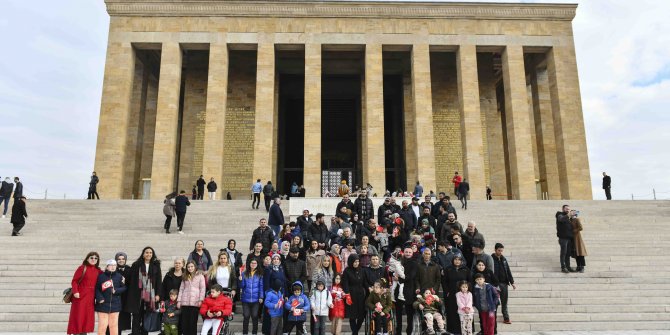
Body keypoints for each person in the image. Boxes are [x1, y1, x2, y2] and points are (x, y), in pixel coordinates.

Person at [125, 247, 162, 335]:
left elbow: (159, 281)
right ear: (143, 254)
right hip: (137, 295)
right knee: (136, 318)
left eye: (150, 252)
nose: (148, 254)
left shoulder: (156, 265)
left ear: (152, 254)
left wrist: (158, 294)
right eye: (146, 252)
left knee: (146, 317)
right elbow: (130, 279)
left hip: (150, 296)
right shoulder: (136, 264)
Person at [68, 252, 103, 335]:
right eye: (91, 257)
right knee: (79, 316)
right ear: (87, 259)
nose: (93, 259)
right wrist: (75, 291)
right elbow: (74, 281)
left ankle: (84, 333)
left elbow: (107, 277)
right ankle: (76, 333)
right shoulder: (82, 268)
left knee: (87, 318)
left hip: (91, 297)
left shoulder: (98, 271)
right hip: (80, 296)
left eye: (96, 258)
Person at [95, 259, 127, 335]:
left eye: (114, 265)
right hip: (102, 305)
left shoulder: (119, 277)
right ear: (107, 267)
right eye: (111, 265)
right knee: (102, 326)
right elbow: (96, 288)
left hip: (115, 305)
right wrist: (100, 298)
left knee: (114, 326)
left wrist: (116, 290)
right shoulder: (101, 276)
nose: (113, 267)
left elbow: (124, 287)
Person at [178, 260, 206, 335]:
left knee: (192, 323)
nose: (190, 268)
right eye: (188, 267)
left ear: (195, 267)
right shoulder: (185, 276)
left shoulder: (200, 276)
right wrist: (179, 301)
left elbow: (202, 289)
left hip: (195, 302)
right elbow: (181, 289)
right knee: (185, 323)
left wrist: (201, 300)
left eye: (191, 266)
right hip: (185, 302)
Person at [444, 256, 471, 335]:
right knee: (452, 311)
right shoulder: (448, 269)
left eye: (459, 260)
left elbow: (470, 281)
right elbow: (444, 281)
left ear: (462, 261)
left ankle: (465, 329)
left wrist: (467, 290)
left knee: (463, 310)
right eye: (455, 259)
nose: (457, 261)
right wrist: (447, 291)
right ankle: (452, 330)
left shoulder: (466, 269)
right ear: (453, 260)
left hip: (463, 294)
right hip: (452, 293)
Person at [341, 255, 366, 335]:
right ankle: (355, 333)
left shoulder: (361, 270)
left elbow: (364, 282)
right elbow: (345, 284)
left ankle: (354, 332)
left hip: (360, 295)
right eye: (355, 262)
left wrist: (369, 288)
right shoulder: (347, 271)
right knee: (352, 316)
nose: (356, 263)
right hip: (351, 295)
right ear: (351, 262)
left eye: (358, 261)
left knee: (361, 316)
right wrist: (347, 294)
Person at [492, 243, 516, 326]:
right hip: (495, 285)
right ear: (495, 250)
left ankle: (506, 317)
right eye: (499, 250)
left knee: (504, 302)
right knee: (495, 302)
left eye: (502, 251)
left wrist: (512, 282)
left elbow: (508, 271)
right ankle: (493, 317)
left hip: (504, 284)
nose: (500, 252)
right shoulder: (491, 259)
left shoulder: (504, 259)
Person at [240, 259, 264, 335]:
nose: (253, 264)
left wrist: (261, 297)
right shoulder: (244, 274)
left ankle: (254, 333)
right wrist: (240, 280)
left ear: (257, 264)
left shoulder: (259, 274)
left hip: (256, 299)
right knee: (246, 316)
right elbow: (242, 286)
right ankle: (245, 333)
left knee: (255, 316)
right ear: (249, 264)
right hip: (245, 299)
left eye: (255, 263)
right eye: (252, 263)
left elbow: (261, 286)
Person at [556, 204, 575, 273]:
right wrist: (568, 215)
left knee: (568, 253)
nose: (568, 210)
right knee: (563, 253)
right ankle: (563, 267)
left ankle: (568, 266)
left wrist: (573, 218)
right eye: (566, 209)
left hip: (569, 238)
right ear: (563, 209)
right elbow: (560, 219)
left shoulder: (569, 218)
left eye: (568, 209)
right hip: (563, 238)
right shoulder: (559, 214)